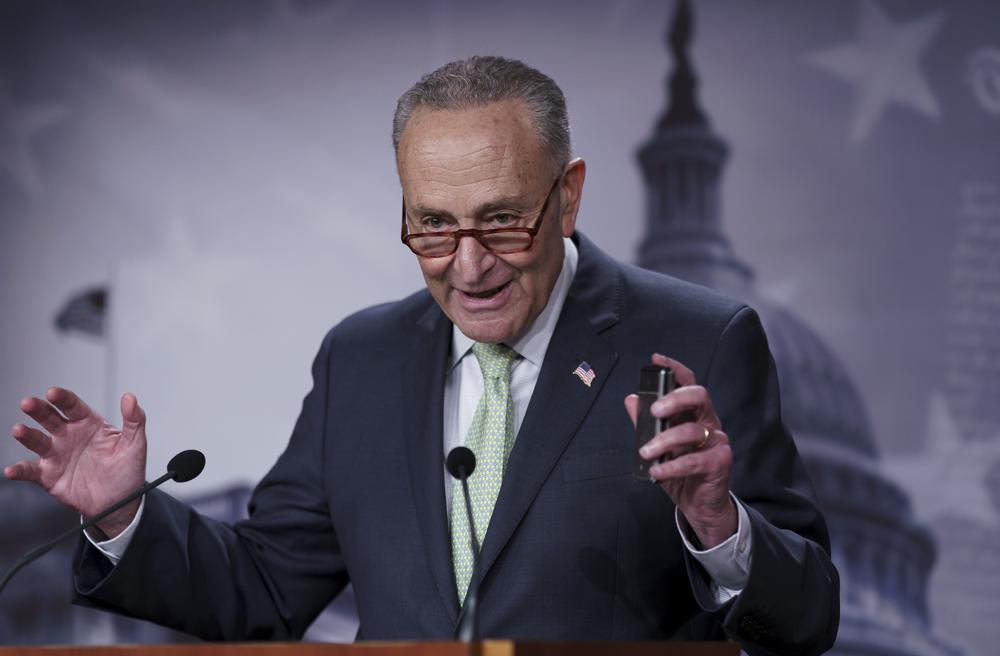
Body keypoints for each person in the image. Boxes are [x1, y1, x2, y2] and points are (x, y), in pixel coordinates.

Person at [5, 56, 838, 654]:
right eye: (432, 225)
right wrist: (122, 516)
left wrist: (717, 525)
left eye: (502, 219)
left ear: (570, 192)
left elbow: (806, 621)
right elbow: (264, 591)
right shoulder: (360, 358)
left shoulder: (701, 337)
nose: (467, 266)